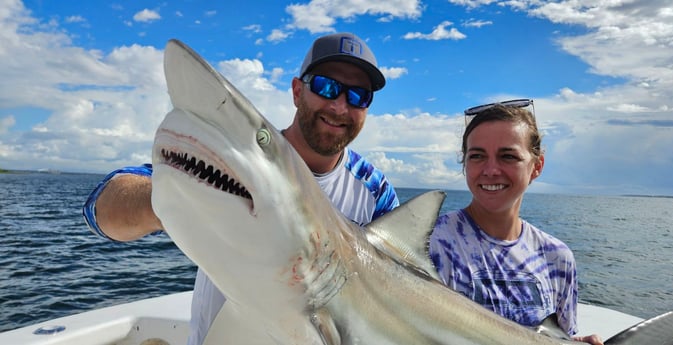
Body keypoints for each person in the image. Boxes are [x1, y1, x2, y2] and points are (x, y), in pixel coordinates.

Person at [83, 32, 399, 345]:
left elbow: (401, 296)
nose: (340, 106)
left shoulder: (375, 193)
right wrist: (172, 203)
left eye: (359, 95)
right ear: (297, 91)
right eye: (326, 86)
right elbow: (100, 210)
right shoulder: (234, 156)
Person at [428, 100, 603, 345]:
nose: (490, 170)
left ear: (537, 166)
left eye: (508, 156)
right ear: (464, 163)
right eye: (477, 156)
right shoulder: (432, 243)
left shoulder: (557, 258)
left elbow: (559, 338)